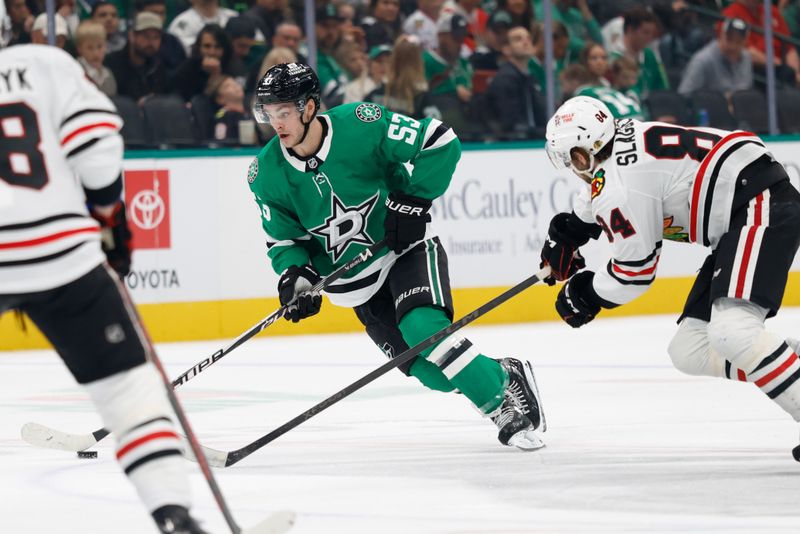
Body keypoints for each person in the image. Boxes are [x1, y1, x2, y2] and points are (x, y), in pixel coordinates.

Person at [248, 62, 546, 450]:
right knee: (432, 374)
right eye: (270, 114)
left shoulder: (361, 121)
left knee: (424, 329)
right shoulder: (265, 174)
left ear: (308, 108)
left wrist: (413, 203)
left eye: (284, 112)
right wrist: (294, 276)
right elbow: (283, 241)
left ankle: (500, 410)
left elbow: (439, 140)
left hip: (404, 249)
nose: (277, 124)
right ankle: (503, 374)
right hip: (356, 287)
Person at [0, 11, 205, 532]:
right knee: (127, 394)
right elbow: (96, 145)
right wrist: (109, 215)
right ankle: (173, 513)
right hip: (61, 252)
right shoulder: (44, 62)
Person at [541, 95, 800, 461]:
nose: (574, 169)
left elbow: (634, 274)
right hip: (744, 208)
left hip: (759, 206)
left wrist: (585, 294)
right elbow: (602, 188)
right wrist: (572, 230)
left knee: (733, 332)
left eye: (574, 159)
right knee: (689, 351)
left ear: (589, 150)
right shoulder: (621, 141)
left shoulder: (620, 187)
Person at [486, 25, 545, 137]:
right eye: (518, 39)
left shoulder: (531, 78)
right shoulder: (505, 80)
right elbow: (511, 123)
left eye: (528, 38)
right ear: (506, 49)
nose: (525, 42)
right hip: (514, 145)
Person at [678, 17, 753, 97]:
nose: (733, 46)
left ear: (745, 41)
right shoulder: (702, 60)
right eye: (729, 39)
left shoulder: (746, 58)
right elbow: (684, 95)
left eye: (739, 42)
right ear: (721, 35)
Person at [105, 11, 168, 103]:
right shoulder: (111, 64)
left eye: (156, 37)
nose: (151, 42)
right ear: (131, 36)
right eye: (146, 36)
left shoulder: (159, 65)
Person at [560, 63, 642, 119]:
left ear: (574, 81)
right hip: (638, 116)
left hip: (622, 122)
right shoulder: (601, 89)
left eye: (563, 83)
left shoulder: (582, 94)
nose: (562, 87)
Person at [75, 20, 117, 97]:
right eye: (89, 48)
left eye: (99, 47)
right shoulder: (75, 72)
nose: (96, 53)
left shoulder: (108, 73)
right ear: (79, 49)